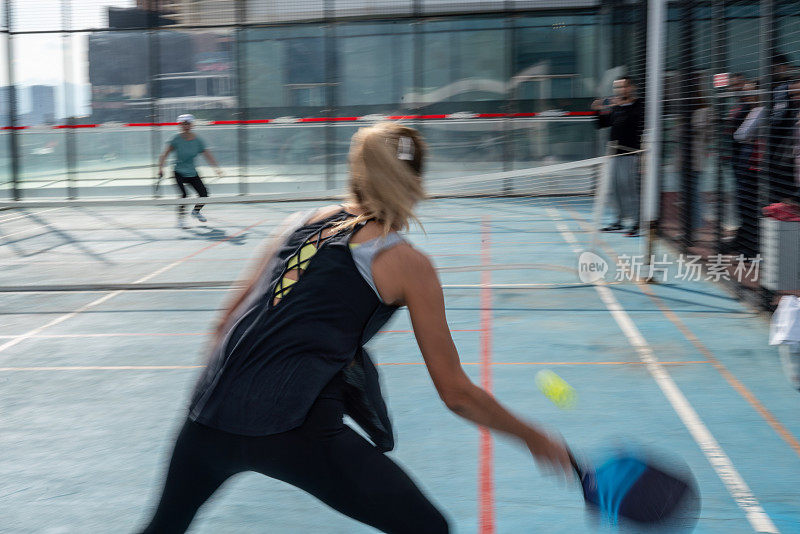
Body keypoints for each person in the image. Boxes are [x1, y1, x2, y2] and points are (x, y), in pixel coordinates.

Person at [138, 123, 572, 534]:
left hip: (208, 416)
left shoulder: (300, 222)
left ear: (356, 171)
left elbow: (224, 324)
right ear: (416, 183)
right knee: (428, 529)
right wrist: (533, 437)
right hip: (296, 428)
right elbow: (455, 393)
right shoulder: (407, 264)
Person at [592, 76, 645, 237]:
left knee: (629, 188)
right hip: (614, 154)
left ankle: (636, 223)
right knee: (615, 189)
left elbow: (636, 122)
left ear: (631, 88)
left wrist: (622, 107)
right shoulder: (617, 107)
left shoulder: (638, 105)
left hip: (630, 152)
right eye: (617, 88)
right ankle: (619, 220)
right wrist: (597, 110)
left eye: (623, 87)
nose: (619, 91)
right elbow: (601, 124)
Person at [157, 114, 223, 229]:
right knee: (184, 195)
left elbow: (208, 155)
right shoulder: (175, 139)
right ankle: (181, 220)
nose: (186, 126)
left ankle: (196, 212)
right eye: (183, 124)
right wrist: (160, 168)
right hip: (178, 172)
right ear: (180, 125)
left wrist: (216, 169)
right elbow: (164, 154)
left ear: (192, 125)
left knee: (204, 194)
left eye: (188, 124)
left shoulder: (198, 140)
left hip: (192, 172)